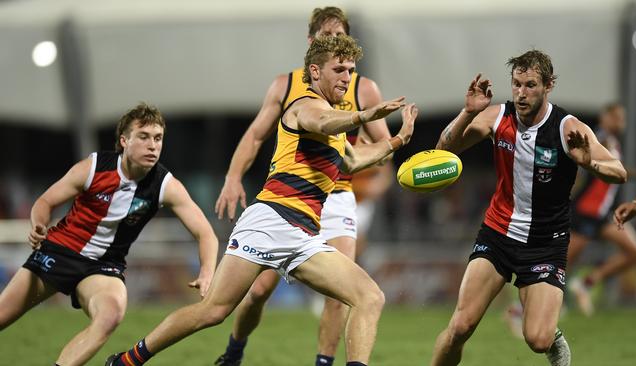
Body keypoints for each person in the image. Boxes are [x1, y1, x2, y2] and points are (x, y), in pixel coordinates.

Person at [106, 35, 417, 366]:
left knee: (369, 297)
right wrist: (364, 116)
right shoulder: (304, 105)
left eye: (351, 71)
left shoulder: (335, 121)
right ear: (315, 71)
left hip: (304, 235)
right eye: (338, 69)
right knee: (213, 311)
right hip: (270, 221)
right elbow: (323, 121)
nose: (346, 77)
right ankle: (127, 361)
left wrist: (399, 139)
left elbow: (352, 162)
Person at [212, 7, 393, 366]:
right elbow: (254, 136)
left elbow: (383, 150)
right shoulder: (286, 85)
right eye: (327, 37)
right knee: (259, 290)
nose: (335, 43)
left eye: (340, 37)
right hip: (289, 197)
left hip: (338, 195)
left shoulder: (363, 88)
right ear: (311, 43)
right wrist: (233, 177)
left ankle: (323, 363)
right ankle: (234, 350)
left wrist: (387, 153)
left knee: (342, 292)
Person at [431, 50, 627, 366]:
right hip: (497, 233)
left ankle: (552, 337)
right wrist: (467, 113)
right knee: (460, 327)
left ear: (548, 85)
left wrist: (587, 162)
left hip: (545, 244)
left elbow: (619, 171)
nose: (521, 93)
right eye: (517, 84)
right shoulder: (498, 116)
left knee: (537, 339)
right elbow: (444, 150)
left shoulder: (566, 128)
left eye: (531, 85)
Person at [0, 103, 219, 366]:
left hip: (103, 267)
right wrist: (38, 224)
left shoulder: (165, 185)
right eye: (144, 137)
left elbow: (205, 233)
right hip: (59, 252)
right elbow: (45, 202)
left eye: (158, 138)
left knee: (110, 315)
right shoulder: (94, 167)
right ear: (124, 141)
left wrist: (207, 271)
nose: (153, 146)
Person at [567, 103, 636, 316]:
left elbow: (615, 169)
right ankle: (522, 309)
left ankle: (586, 283)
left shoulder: (613, 142)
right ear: (605, 118)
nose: (621, 122)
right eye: (617, 117)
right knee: (561, 265)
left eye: (623, 118)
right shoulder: (599, 138)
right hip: (586, 212)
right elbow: (589, 166)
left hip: (603, 214)